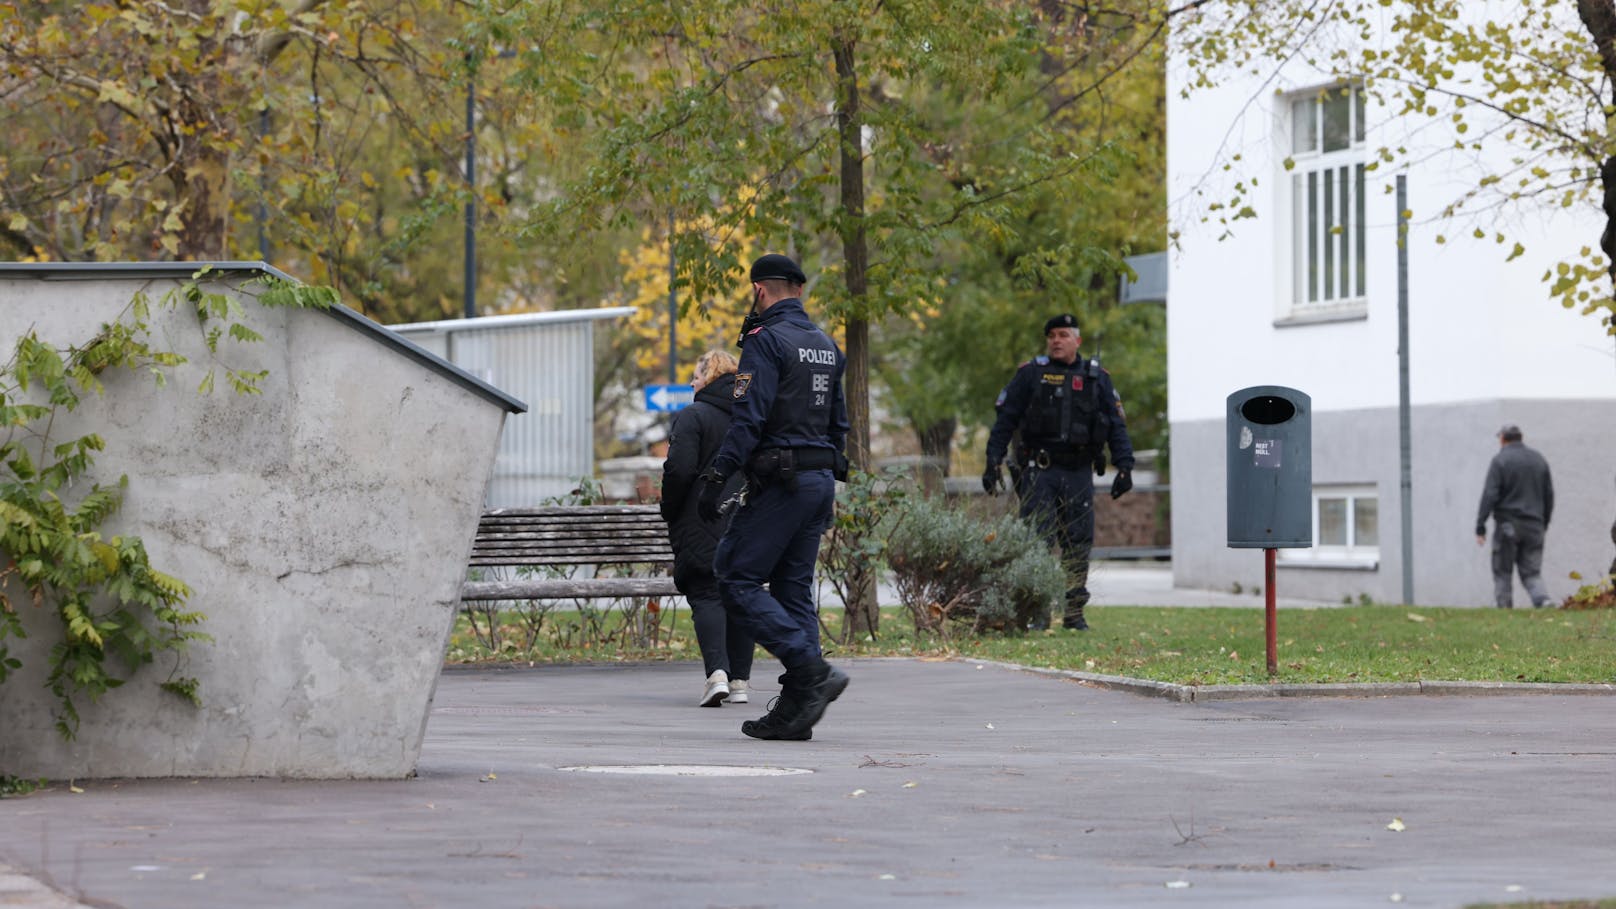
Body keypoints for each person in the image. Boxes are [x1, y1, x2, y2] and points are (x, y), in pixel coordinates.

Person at [696, 253, 850, 741]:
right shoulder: (826, 345)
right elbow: (839, 424)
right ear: (799, 291)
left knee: (734, 577)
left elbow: (750, 419)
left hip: (780, 483)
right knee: (790, 589)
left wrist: (718, 475)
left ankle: (809, 670)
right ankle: (797, 709)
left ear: (760, 291)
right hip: (818, 481)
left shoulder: (765, 342)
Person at [982, 313, 1134, 632]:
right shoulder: (1031, 374)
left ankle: (1074, 613)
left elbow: (1116, 424)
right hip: (1040, 472)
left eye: (1063, 334)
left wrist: (1125, 465)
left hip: (1078, 472)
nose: (1056, 340)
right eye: (1051, 335)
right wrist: (992, 459)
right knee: (1038, 540)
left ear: (1077, 341)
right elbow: (1006, 419)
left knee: (1078, 542)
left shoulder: (1096, 378)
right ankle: (1037, 611)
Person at [660, 349, 754, 707]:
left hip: (702, 515)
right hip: (746, 515)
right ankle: (741, 682)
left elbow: (679, 470)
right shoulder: (751, 416)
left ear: (710, 376)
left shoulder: (693, 416)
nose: (691, 382)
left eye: (696, 376)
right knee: (741, 595)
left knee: (707, 592)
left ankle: (716, 676)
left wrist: (669, 507)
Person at [1474, 424, 1554, 608]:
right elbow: (1549, 495)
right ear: (1521, 437)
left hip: (1508, 524)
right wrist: (1544, 523)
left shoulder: (1500, 461)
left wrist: (1480, 525)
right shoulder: (1538, 460)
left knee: (1503, 571)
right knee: (1532, 572)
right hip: (1535, 525)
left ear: (1502, 439)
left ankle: (1504, 609)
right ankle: (1543, 601)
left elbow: (1490, 494)